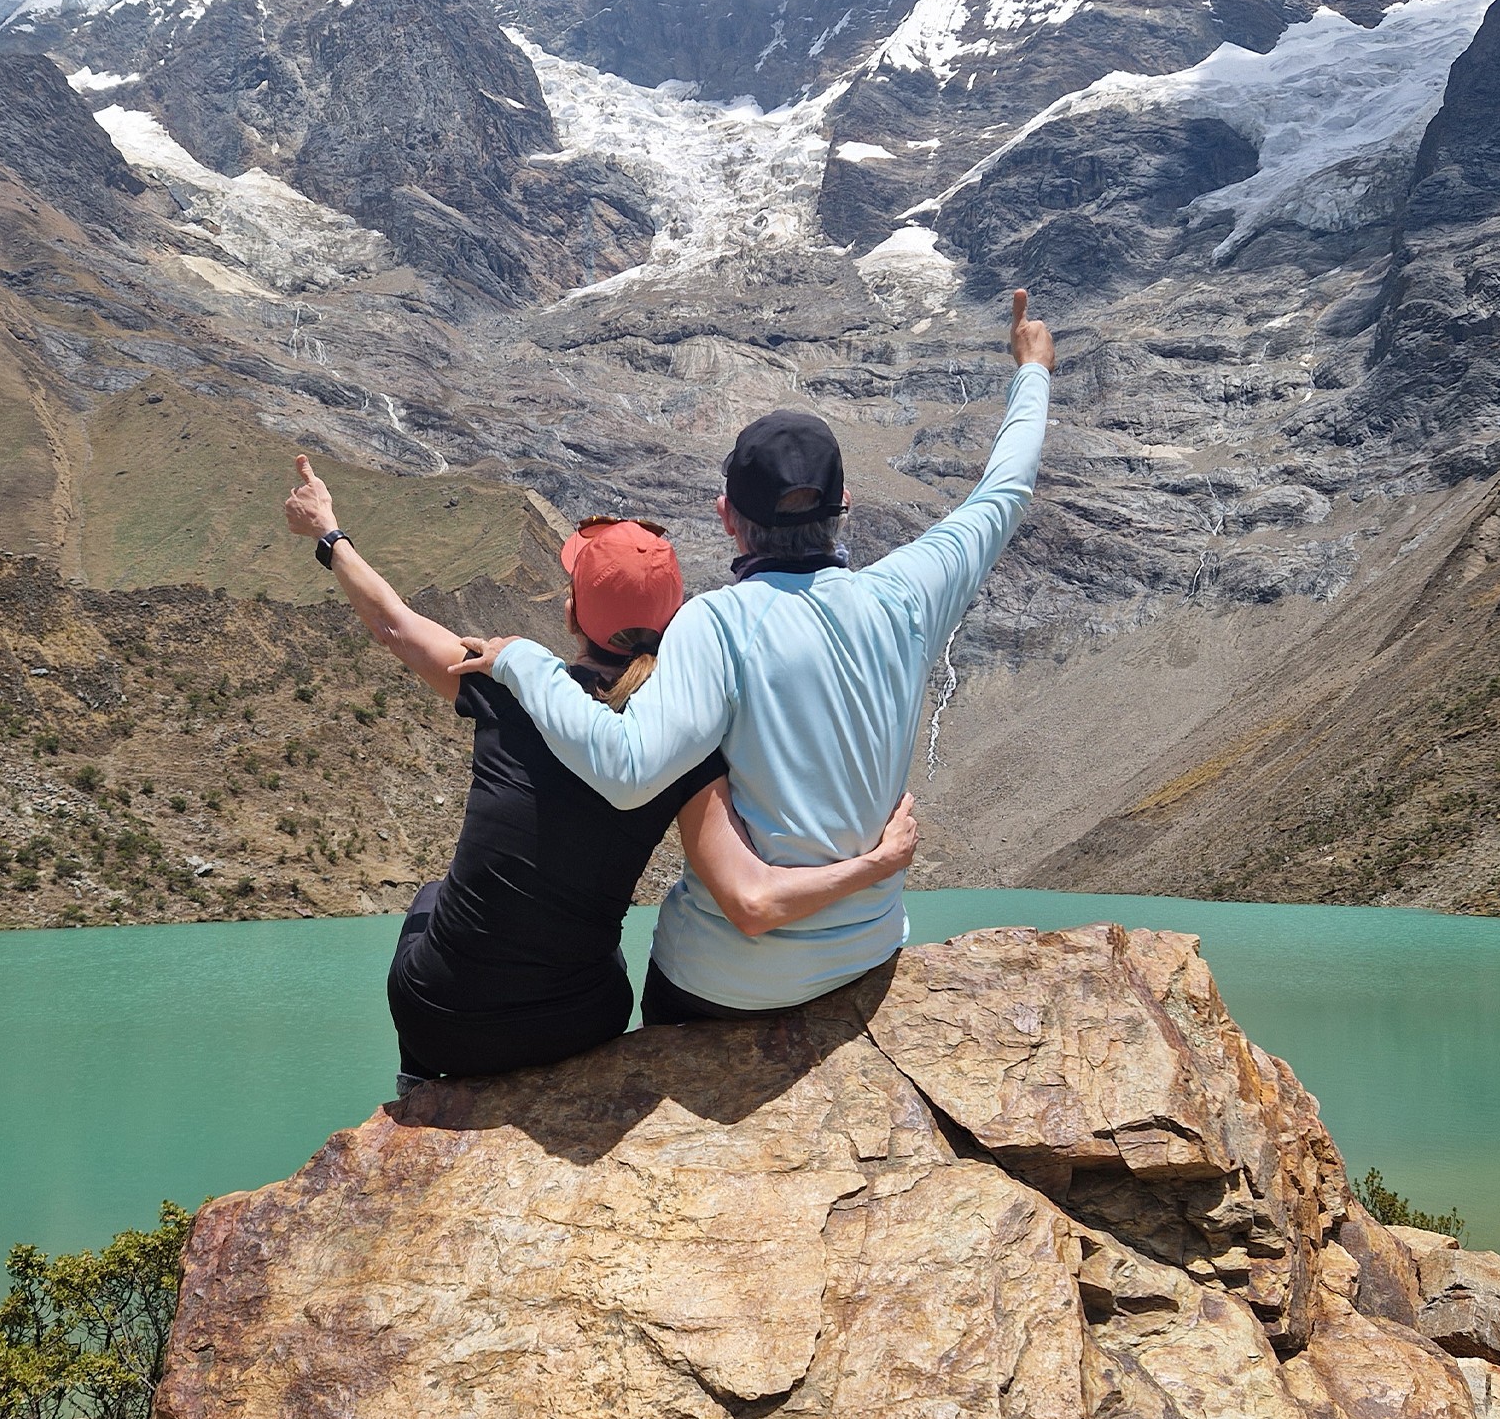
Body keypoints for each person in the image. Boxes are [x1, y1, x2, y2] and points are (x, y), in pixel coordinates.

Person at [450, 289, 1055, 1024]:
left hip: (727, 984)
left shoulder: (715, 622)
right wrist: (1032, 368)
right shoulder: (909, 593)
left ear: (726, 516)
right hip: (864, 956)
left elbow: (626, 771)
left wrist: (523, 661)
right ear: (844, 505)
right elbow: (1004, 489)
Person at [280, 456, 920, 1092]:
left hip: (446, 1019)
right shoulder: (688, 745)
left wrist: (329, 535)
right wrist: (875, 863)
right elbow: (750, 892)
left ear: (572, 612)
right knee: (599, 951)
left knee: (429, 901)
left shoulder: (501, 685)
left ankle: (421, 1088)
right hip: (584, 1021)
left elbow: (393, 623)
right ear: (674, 621)